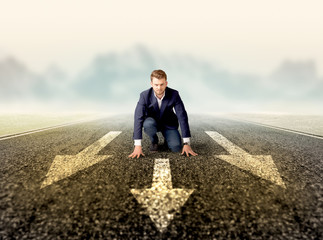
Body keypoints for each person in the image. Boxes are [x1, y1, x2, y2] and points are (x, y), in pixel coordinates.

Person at [128, 69, 198, 158]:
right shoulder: (144, 95)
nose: (159, 88)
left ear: (166, 83)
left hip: (168, 124)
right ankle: (154, 140)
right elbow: (138, 118)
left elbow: (182, 116)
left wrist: (186, 143)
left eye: (162, 84)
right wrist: (137, 145)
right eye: (156, 85)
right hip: (152, 123)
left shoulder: (174, 94)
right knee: (148, 124)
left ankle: (167, 138)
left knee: (176, 147)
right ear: (151, 84)